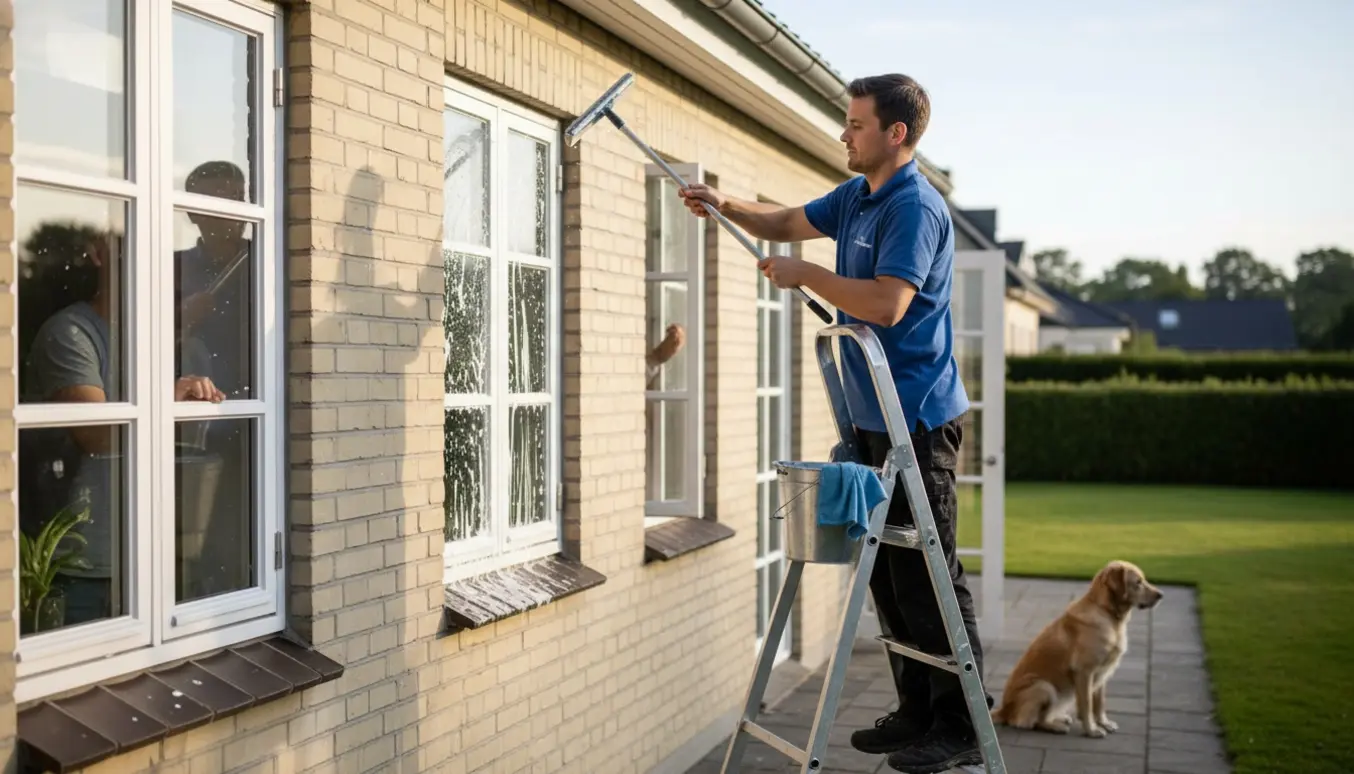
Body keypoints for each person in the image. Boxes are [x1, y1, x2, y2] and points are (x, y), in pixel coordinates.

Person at [679, 73, 986, 773]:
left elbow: (886, 305)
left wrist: (807, 276)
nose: (843, 135)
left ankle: (961, 724)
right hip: (869, 413)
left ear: (894, 133)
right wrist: (723, 201)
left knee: (929, 575)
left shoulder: (914, 208)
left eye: (855, 124)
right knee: (886, 573)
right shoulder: (858, 196)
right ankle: (915, 712)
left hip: (916, 418)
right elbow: (785, 221)